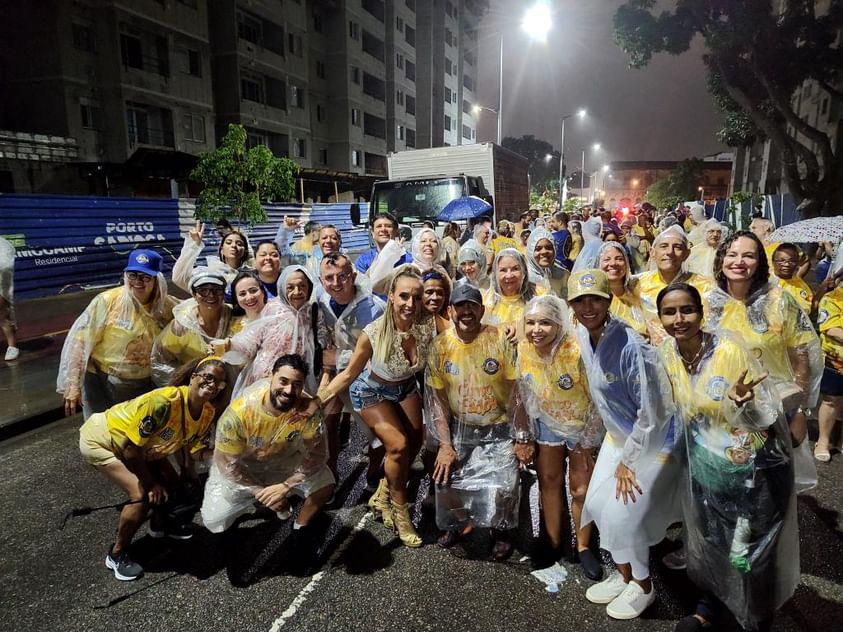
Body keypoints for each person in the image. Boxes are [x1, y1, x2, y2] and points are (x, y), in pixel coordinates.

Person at [657, 284, 798, 632]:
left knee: (752, 553)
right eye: (670, 312)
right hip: (708, 467)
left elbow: (766, 418)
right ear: (660, 318)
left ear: (700, 313)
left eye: (687, 310)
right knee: (713, 541)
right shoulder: (665, 355)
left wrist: (744, 404)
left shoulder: (730, 350)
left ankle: (754, 619)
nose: (679, 319)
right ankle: (709, 610)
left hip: (756, 468)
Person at [569, 269, 681, 620]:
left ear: (609, 301)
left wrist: (629, 461)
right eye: (579, 300)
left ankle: (644, 587)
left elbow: (654, 413)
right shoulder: (586, 336)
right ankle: (624, 575)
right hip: (619, 437)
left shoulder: (633, 347)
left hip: (653, 440)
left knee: (622, 512)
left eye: (596, 299)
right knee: (599, 507)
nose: (588, 307)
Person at [311, 265, 437, 547]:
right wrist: (317, 402)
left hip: (404, 388)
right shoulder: (373, 332)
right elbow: (348, 374)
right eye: (404, 296)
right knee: (399, 445)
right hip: (370, 390)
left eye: (417, 297)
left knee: (417, 441)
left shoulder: (427, 323)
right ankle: (401, 513)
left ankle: (382, 491)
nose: (410, 304)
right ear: (391, 296)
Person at [78, 356, 229, 580]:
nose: (212, 385)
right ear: (194, 376)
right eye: (207, 377)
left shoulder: (206, 413)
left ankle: (161, 526)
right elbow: (128, 450)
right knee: (141, 496)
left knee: (178, 487)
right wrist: (151, 484)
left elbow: (190, 449)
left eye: (219, 382)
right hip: (105, 439)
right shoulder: (163, 403)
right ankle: (117, 553)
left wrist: (192, 479)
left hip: (147, 446)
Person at [706, 231, 822, 453]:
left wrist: (799, 409)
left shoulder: (779, 301)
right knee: (722, 479)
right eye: (732, 254)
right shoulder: (707, 302)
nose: (739, 262)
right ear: (721, 260)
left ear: (759, 262)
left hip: (771, 410)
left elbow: (801, 357)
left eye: (749, 256)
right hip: (717, 408)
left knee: (769, 477)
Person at [426, 283, 519, 560]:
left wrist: (522, 437)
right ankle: (458, 522)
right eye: (460, 306)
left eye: (472, 305)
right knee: (445, 480)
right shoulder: (440, 346)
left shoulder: (499, 338)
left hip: (499, 427)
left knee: (505, 485)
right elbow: (437, 401)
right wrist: (445, 444)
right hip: (461, 428)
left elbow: (517, 394)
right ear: (450, 310)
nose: (467, 311)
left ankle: (501, 532)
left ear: (482, 309)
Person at [513, 295, 603, 578]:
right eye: (531, 322)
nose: (536, 329)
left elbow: (598, 399)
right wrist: (524, 434)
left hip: (580, 426)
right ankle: (553, 541)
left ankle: (584, 545)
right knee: (549, 482)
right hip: (546, 426)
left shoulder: (577, 349)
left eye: (545, 323)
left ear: (559, 324)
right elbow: (523, 395)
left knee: (580, 489)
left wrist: (588, 440)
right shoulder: (524, 350)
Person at [201, 355, 335, 538]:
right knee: (215, 518)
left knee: (324, 484)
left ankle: (300, 529)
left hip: (281, 463)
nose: (289, 390)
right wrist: (262, 493)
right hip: (245, 468)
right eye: (283, 381)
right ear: (271, 377)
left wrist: (285, 486)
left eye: (297, 384)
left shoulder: (306, 412)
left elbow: (317, 457)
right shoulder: (240, 413)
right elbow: (228, 465)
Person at [58, 249, 176, 418]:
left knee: (131, 435)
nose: (137, 281)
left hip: (140, 386)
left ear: (156, 280)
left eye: (145, 277)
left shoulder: (166, 307)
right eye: (132, 275)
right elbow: (80, 342)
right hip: (99, 381)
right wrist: (73, 384)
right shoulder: (108, 301)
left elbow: (191, 318)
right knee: (99, 432)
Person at [213, 265, 330, 398]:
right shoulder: (272, 308)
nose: (297, 292)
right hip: (263, 381)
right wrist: (230, 345)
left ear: (309, 287)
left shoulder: (314, 312)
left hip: (297, 384)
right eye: (290, 287)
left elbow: (324, 342)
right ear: (282, 288)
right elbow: (251, 340)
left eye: (302, 286)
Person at [316, 253, 386, 478]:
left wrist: (341, 359)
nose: (336, 283)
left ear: (353, 276)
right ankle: (330, 475)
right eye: (329, 278)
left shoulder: (374, 308)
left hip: (366, 377)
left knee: (374, 432)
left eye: (342, 276)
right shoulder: (321, 304)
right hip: (333, 374)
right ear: (321, 281)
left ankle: (374, 474)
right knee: (327, 426)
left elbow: (380, 350)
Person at [151, 268, 236, 386]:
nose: (211, 295)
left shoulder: (234, 318)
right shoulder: (183, 325)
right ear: (194, 295)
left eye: (217, 290)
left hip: (227, 385)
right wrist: (183, 382)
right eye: (203, 290)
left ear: (223, 293)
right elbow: (161, 359)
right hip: (194, 386)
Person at [635, 225, 712, 314]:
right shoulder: (638, 284)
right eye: (664, 246)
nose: (670, 252)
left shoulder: (705, 287)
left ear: (686, 254)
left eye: (677, 247)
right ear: (652, 252)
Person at [813, 258, 843, 462]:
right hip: (836, 360)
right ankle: (823, 441)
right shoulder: (831, 299)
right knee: (832, 401)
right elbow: (830, 329)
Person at [172, 222, 251, 292]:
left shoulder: (251, 275)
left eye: (239, 244)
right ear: (221, 250)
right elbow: (179, 278)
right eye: (228, 242)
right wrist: (194, 245)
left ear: (245, 251)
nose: (233, 246)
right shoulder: (210, 272)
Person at [597, 242, 654, 339]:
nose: (613, 264)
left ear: (626, 264)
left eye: (619, 259)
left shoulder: (639, 294)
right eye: (607, 259)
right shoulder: (593, 301)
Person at [483, 248, 537, 342]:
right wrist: (500, 329)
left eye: (515, 269)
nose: (509, 275)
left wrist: (522, 328)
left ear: (524, 271)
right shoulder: (486, 300)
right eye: (503, 270)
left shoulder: (538, 295)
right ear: (495, 274)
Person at [771, 243, 813, 316]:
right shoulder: (766, 284)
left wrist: (823, 288)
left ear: (797, 263)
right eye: (781, 260)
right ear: (773, 262)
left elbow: (811, 308)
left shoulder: (801, 285)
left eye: (792, 261)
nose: (787, 264)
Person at [0, 235, 19, 360]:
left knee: (2, 313)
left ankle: (12, 346)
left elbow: (6, 266)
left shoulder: (3, 245)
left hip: (1, 280)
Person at [421, 266, 452, 333]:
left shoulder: (450, 330)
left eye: (440, 293)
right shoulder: (407, 324)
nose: (435, 297)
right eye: (429, 292)